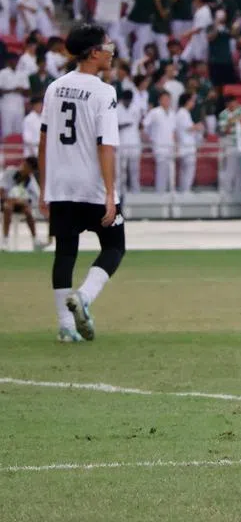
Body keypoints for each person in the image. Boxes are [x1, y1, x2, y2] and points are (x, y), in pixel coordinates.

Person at [37, 24, 126, 343]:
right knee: (115, 246)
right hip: (92, 185)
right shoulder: (104, 92)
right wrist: (110, 193)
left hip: (61, 186)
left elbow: (43, 141)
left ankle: (65, 325)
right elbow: (106, 145)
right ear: (94, 53)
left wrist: (44, 188)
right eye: (108, 46)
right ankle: (85, 297)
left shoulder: (54, 87)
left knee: (65, 254)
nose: (112, 51)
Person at [1, 156, 43, 251]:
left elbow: (36, 197)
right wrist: (10, 198)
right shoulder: (10, 172)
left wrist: (24, 200)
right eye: (26, 165)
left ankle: (35, 240)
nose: (26, 169)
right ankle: (5, 240)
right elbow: (2, 191)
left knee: (28, 211)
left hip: (21, 204)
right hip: (6, 202)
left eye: (30, 169)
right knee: (8, 206)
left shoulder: (30, 180)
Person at [143, 92, 176, 194]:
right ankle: (160, 193)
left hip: (170, 146)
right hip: (159, 146)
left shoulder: (172, 113)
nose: (166, 101)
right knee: (161, 171)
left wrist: (175, 144)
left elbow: (173, 130)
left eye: (168, 99)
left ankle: (171, 192)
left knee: (171, 171)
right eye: (164, 99)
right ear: (160, 100)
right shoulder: (154, 112)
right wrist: (149, 138)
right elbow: (144, 125)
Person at [116, 89, 144, 195]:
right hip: (121, 142)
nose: (127, 102)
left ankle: (135, 191)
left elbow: (139, 124)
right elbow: (114, 126)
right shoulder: (117, 108)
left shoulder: (136, 108)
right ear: (122, 99)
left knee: (134, 169)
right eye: (126, 100)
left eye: (129, 100)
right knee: (121, 170)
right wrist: (124, 125)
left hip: (134, 141)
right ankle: (120, 190)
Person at [174, 93, 201, 193]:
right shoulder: (182, 113)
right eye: (192, 101)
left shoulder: (184, 113)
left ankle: (184, 189)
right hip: (186, 146)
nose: (193, 103)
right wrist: (198, 126)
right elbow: (189, 128)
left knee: (184, 170)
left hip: (186, 145)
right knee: (188, 170)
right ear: (187, 101)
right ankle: (185, 190)